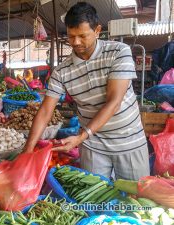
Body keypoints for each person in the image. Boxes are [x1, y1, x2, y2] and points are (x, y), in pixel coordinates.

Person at [23, 2, 150, 180]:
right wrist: (28, 150)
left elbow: (114, 102)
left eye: (82, 36)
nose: (76, 42)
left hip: (128, 139)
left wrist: (81, 136)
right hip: (93, 145)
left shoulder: (119, 52)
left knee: (135, 197)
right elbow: (45, 111)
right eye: (71, 36)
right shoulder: (62, 71)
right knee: (93, 198)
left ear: (97, 30)